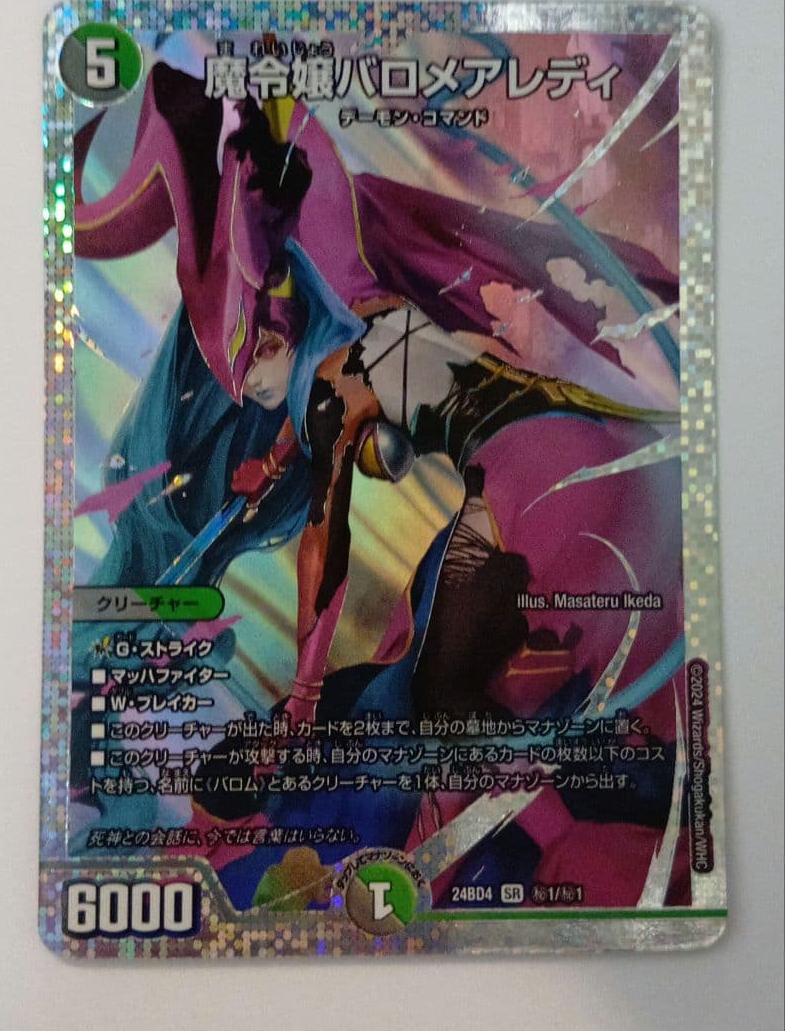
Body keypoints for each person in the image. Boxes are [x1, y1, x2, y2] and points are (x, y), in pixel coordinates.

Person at [72, 61, 687, 907]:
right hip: (551, 449)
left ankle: (586, 820)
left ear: (274, 341)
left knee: (447, 699)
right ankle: (599, 799)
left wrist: (302, 698)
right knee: (448, 688)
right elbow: (330, 488)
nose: (260, 398)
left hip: (532, 467)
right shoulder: (361, 309)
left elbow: (325, 547)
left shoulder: (334, 363)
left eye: (256, 382)